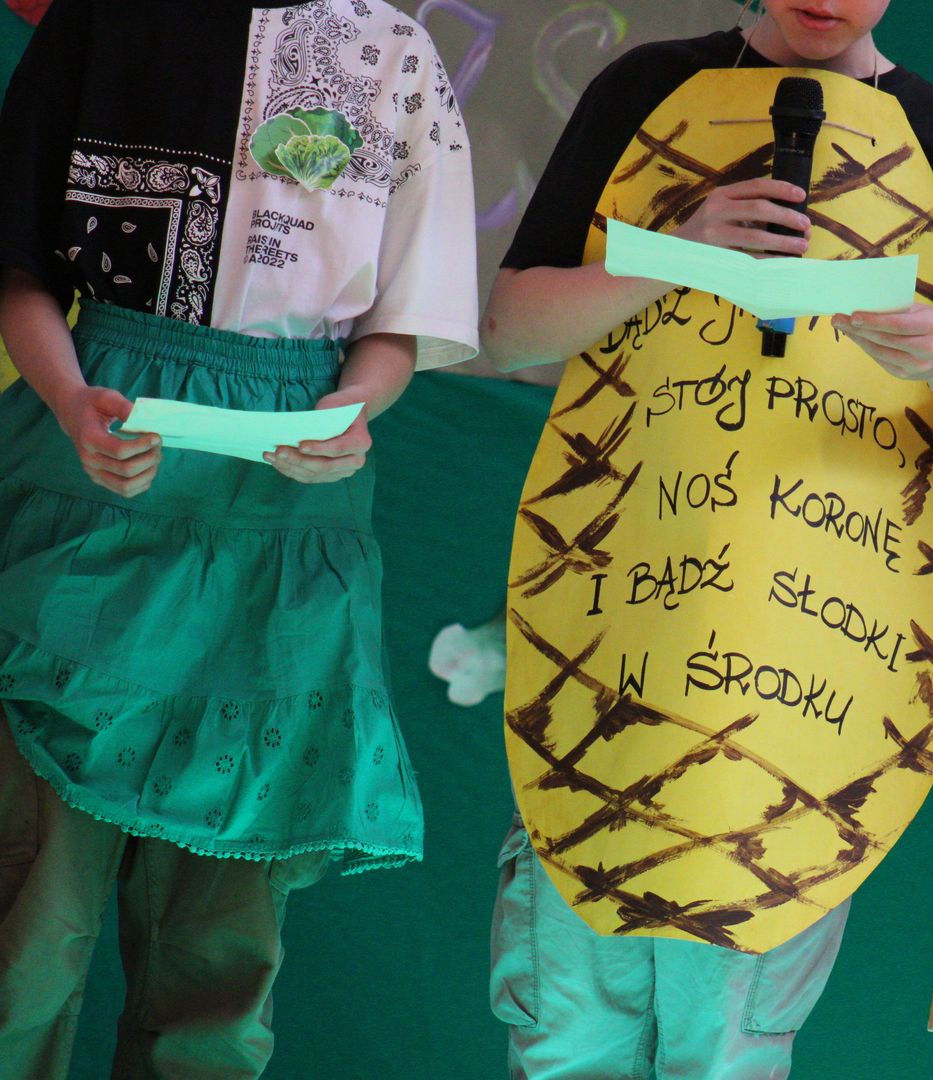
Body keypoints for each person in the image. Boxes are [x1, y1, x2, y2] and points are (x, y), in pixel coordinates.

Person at [484, 1, 933, 1076]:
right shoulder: (646, 91)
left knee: (729, 1041)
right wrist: (680, 252)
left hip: (813, 688)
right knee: (568, 1031)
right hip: (616, 645)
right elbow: (511, 332)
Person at [0, 3, 476, 1077]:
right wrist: (71, 400)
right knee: (27, 939)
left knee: (220, 960)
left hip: (289, 507)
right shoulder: (101, 21)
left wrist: (352, 409)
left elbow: (400, 321)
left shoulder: (394, 51)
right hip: (96, 459)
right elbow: (19, 263)